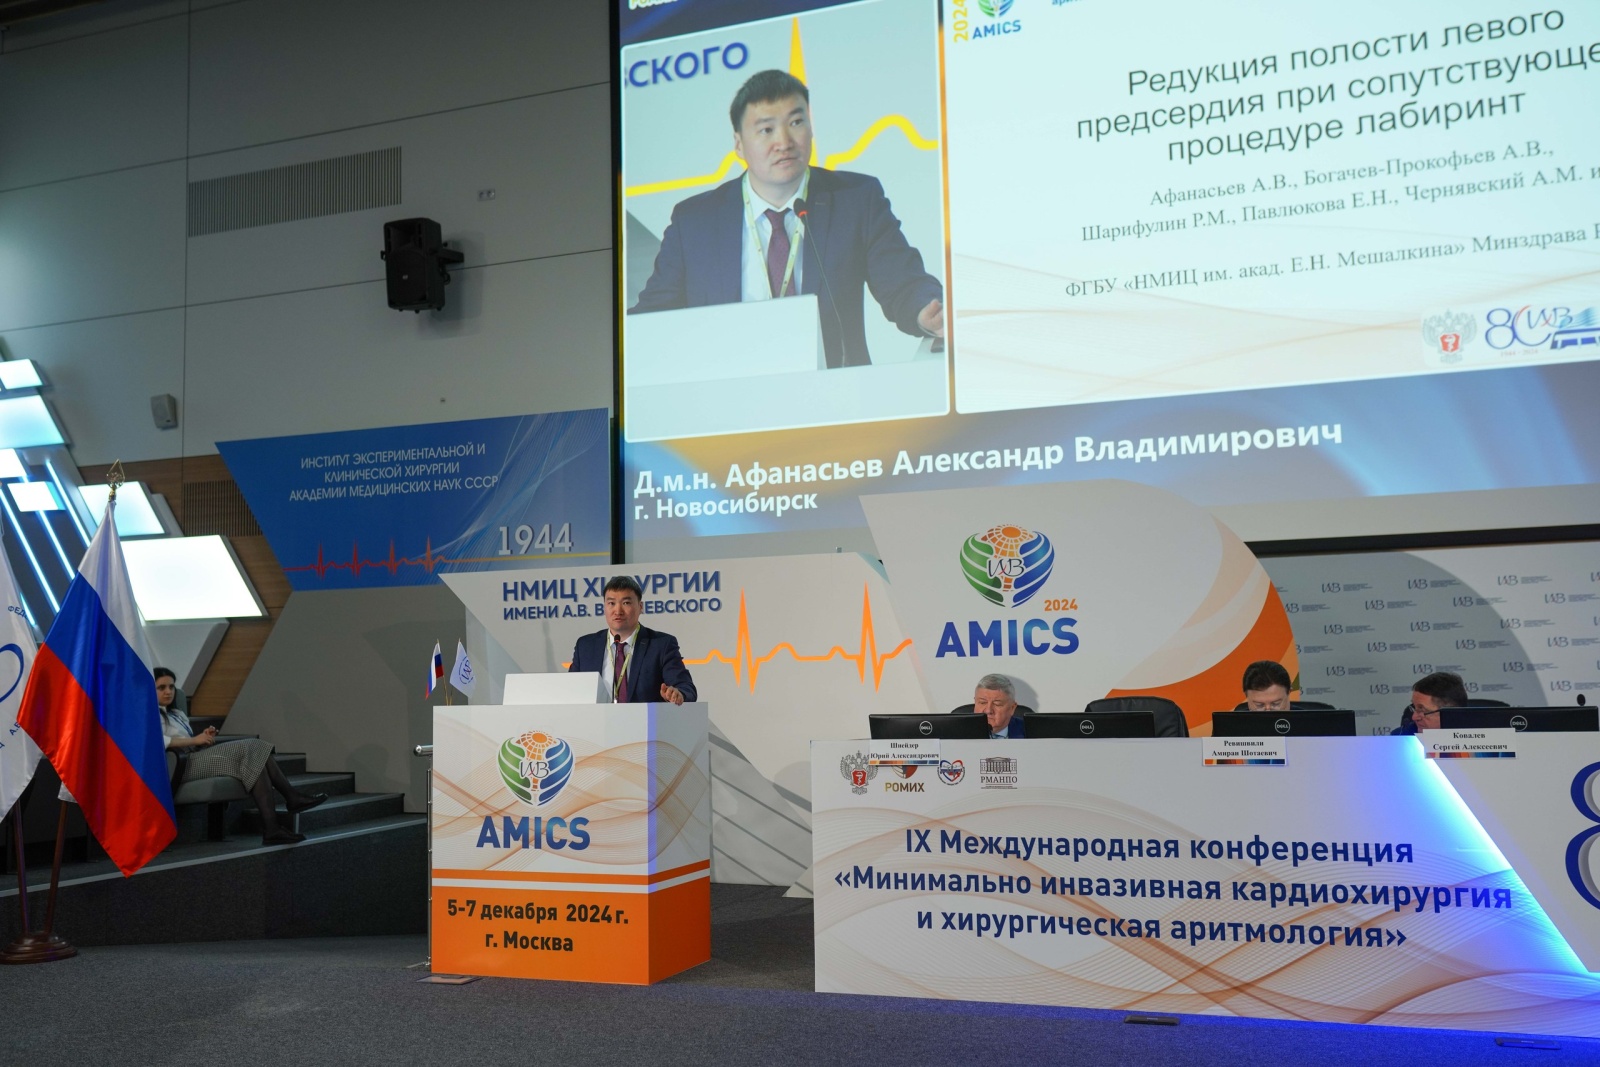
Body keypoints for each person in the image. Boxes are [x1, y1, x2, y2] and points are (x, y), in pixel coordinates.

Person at [629, 69, 944, 369]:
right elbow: (654, 317)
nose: (784, 142)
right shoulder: (695, 222)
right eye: (766, 130)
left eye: (796, 122)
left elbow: (902, 283)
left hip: (838, 395)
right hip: (726, 397)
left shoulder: (855, 199)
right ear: (739, 144)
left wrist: (926, 311)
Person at [156, 667, 326, 846]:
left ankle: (273, 828)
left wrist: (202, 739)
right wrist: (194, 740)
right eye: (161, 688)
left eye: (171, 687)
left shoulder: (177, 714)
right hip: (177, 767)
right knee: (252, 746)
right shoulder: (149, 715)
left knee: (257, 756)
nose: (168, 691)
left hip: (192, 757)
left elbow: (186, 741)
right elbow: (158, 742)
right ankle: (290, 800)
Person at [568, 576, 697, 705]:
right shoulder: (585, 647)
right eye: (611, 603)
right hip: (596, 718)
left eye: (626, 603)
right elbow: (569, 691)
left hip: (645, 718)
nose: (618, 611)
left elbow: (686, 688)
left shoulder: (661, 645)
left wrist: (677, 694)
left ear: (640, 607)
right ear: (604, 607)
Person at [1395, 671, 1470, 735]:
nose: (1414, 717)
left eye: (1422, 710)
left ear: (1449, 714)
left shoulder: (1474, 739)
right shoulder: (1401, 737)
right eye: (1414, 707)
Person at [968, 673, 1025, 738]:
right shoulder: (959, 731)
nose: (988, 711)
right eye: (983, 702)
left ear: (1012, 708)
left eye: (997, 704)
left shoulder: (1029, 732)